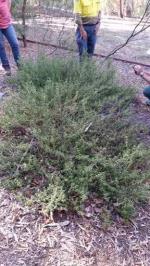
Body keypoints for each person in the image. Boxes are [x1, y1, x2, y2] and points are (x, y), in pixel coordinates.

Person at [0, 0, 20, 75]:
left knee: (15, 44)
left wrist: (6, 17)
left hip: (8, 24)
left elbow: (8, 7)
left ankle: (19, 64)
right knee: (1, 46)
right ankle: (7, 68)